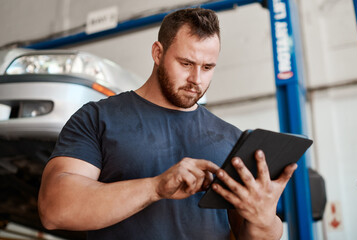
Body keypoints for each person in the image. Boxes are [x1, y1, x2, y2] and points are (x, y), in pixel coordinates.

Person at [38, 8, 297, 240]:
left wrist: (264, 220)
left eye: (207, 67)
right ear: (157, 53)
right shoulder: (97, 118)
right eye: (186, 63)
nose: (196, 79)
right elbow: (55, 209)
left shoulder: (231, 139)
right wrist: (155, 187)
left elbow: (250, 235)